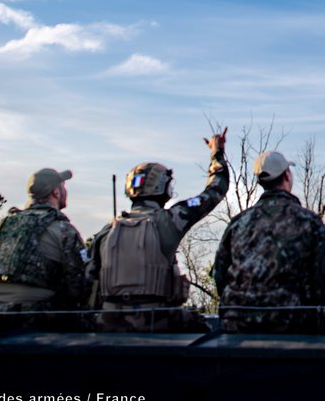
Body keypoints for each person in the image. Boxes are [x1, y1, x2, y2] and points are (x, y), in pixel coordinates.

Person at [86, 129, 230, 332]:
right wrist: (217, 152)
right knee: (202, 327)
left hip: (109, 322)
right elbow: (216, 189)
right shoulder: (171, 220)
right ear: (163, 187)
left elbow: (87, 280)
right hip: (156, 320)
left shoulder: (107, 231)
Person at [0, 168, 87, 331]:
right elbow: (78, 286)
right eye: (63, 186)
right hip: (30, 315)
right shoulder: (63, 230)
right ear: (56, 192)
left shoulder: (3, 224)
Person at [214, 150, 325, 333]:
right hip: (294, 323)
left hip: (238, 322)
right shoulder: (309, 222)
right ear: (286, 175)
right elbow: (324, 278)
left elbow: (220, 273)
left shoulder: (238, 223)